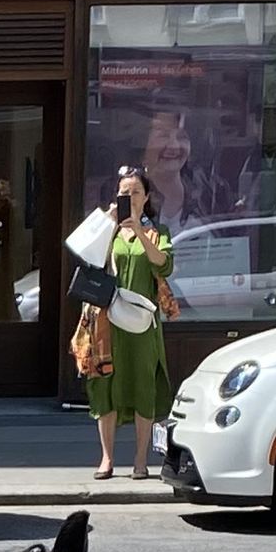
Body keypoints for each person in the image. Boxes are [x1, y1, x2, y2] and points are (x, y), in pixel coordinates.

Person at [81, 166, 174, 482]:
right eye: (124, 192)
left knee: (142, 386)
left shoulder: (157, 232)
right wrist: (106, 223)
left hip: (142, 324)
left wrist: (140, 232)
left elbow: (164, 264)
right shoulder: (108, 228)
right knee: (105, 386)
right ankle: (107, 458)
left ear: (146, 197)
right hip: (108, 321)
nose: (130, 197)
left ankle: (140, 460)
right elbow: (83, 254)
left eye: (136, 192)